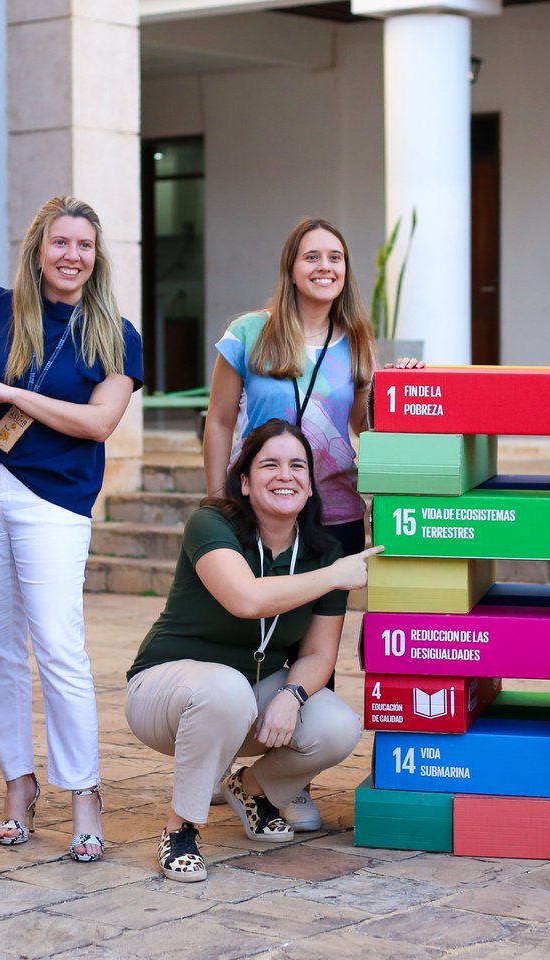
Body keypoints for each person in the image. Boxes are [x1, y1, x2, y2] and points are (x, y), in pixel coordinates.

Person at [202, 216, 419, 828]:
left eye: (336, 258)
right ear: (291, 266)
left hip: (337, 515)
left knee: (318, 644)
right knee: (260, 635)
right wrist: (219, 497)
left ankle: (286, 777)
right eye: (311, 256)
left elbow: (365, 428)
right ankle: (238, 749)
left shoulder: (357, 338)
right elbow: (220, 420)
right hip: (259, 513)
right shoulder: (247, 334)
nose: (324, 267)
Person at [0, 196, 143, 862]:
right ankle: (17, 784)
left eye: (84, 246)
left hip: (54, 501)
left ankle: (84, 793)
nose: (72, 256)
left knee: (59, 645)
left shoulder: (115, 333)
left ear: (97, 256)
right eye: (60, 243)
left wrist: (7, 394)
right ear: (37, 250)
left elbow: (97, 423)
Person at [125, 420, 379, 882]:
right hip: (164, 694)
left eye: (297, 465)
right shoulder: (212, 523)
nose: (286, 475)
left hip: (247, 696)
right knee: (225, 689)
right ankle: (180, 828)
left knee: (337, 726)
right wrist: (335, 576)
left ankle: (252, 787)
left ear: (310, 484)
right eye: (270, 465)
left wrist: (292, 696)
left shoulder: (321, 552)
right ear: (244, 481)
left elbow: (319, 655)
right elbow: (246, 599)